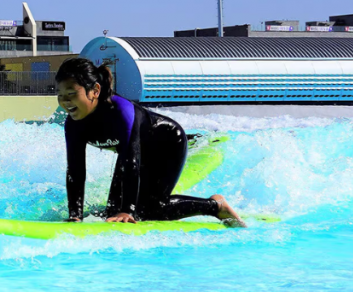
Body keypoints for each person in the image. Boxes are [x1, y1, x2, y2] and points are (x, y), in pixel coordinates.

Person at [56, 57, 246, 226]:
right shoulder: (73, 124)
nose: (65, 101)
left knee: (150, 211)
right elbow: (75, 170)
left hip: (167, 143)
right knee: (111, 212)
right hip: (132, 153)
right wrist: (75, 215)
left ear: (95, 90)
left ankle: (215, 206)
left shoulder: (121, 112)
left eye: (71, 94)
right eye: (60, 95)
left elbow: (131, 163)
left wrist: (128, 211)